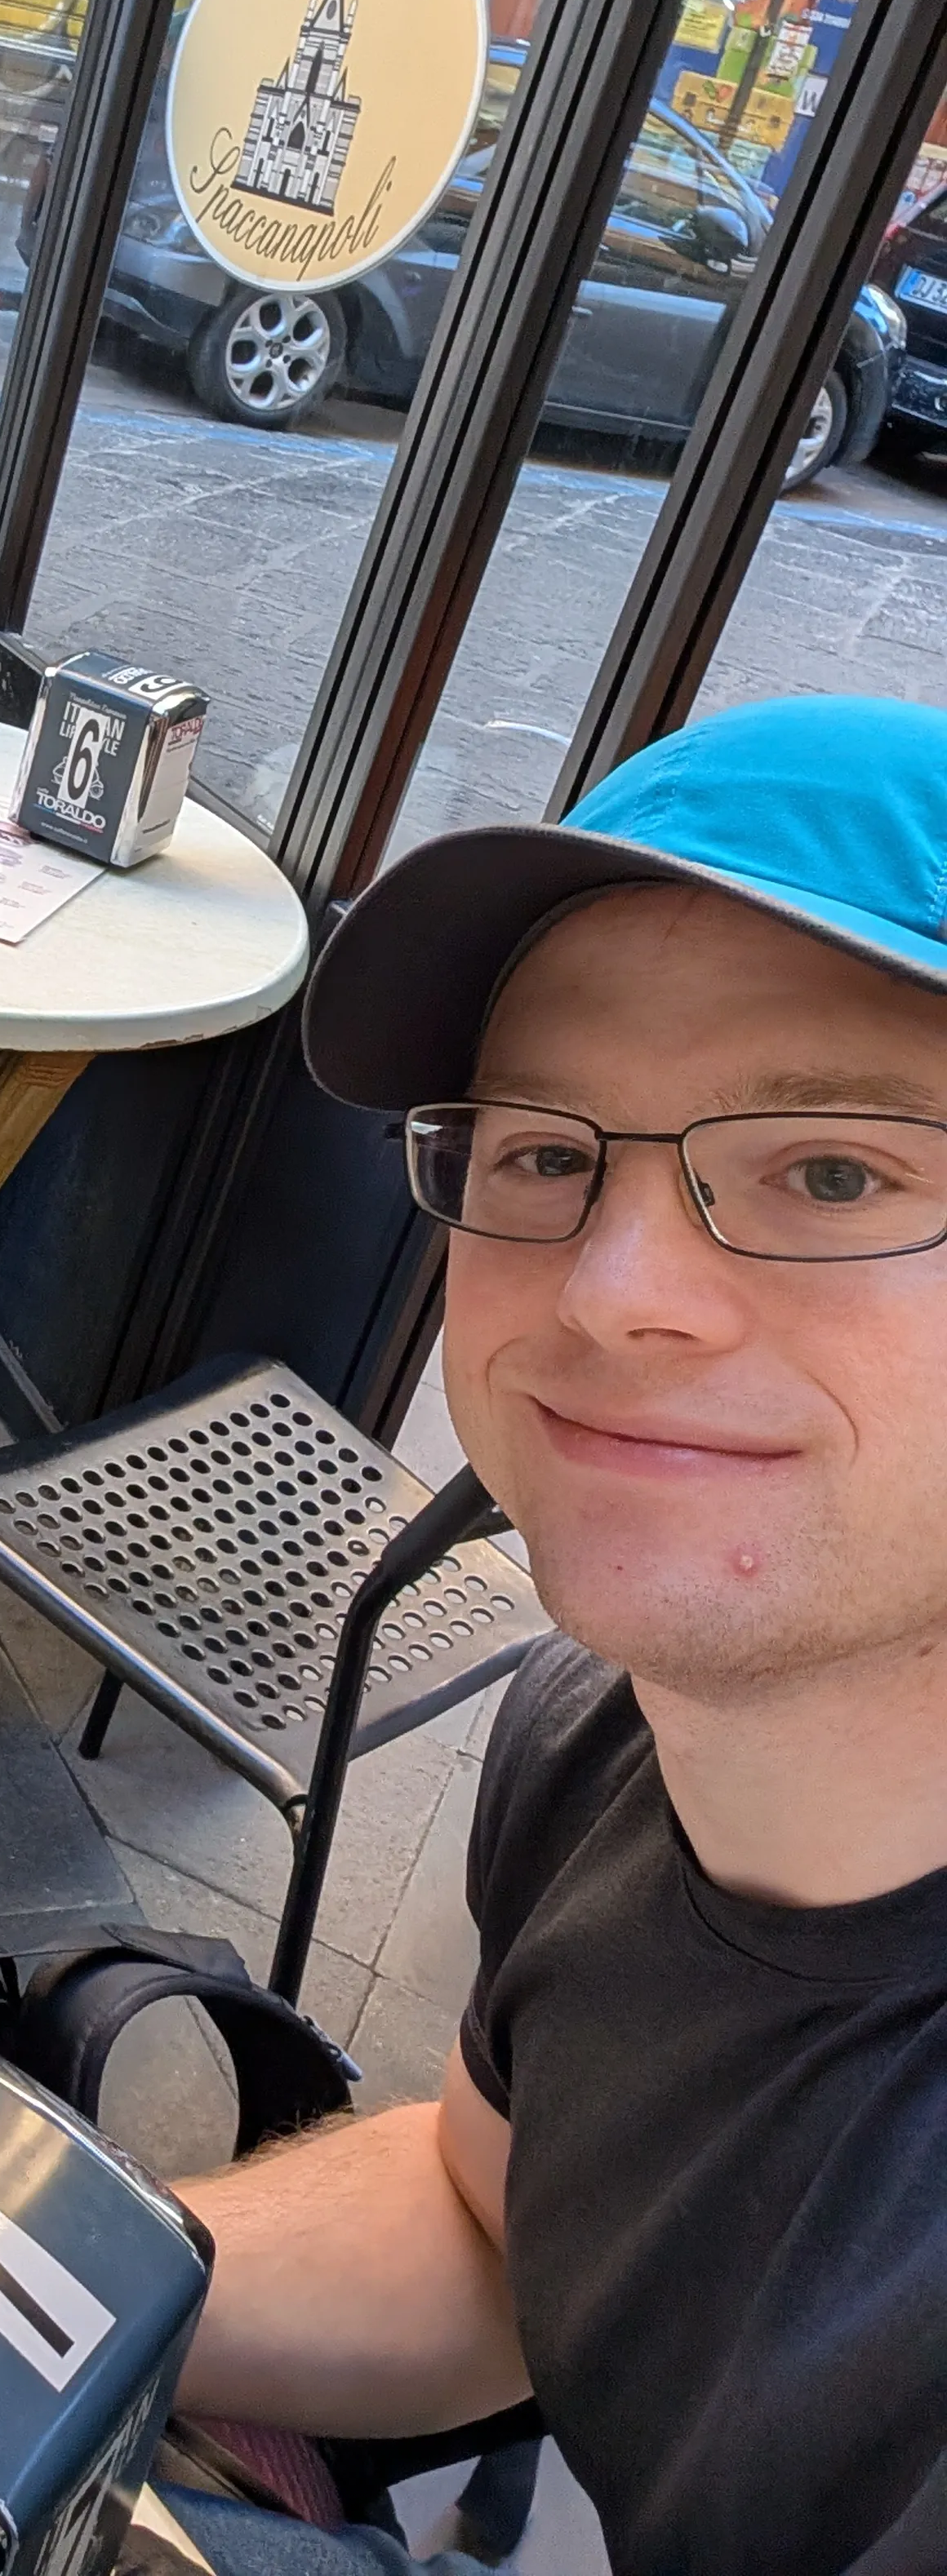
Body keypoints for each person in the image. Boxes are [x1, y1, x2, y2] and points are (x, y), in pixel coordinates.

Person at [160, 694, 947, 2576]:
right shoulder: (597, 1725)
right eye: (544, 1154)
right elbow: (494, 2226)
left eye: (830, 1171)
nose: (615, 1291)